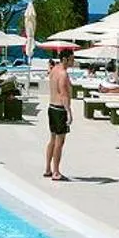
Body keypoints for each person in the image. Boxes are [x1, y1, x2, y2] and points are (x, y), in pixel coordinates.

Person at [44, 48, 74, 180]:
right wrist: (69, 112)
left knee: (52, 139)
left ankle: (48, 168)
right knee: (59, 142)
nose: (74, 61)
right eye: (72, 59)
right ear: (65, 59)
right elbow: (63, 94)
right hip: (60, 109)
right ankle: (56, 171)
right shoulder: (63, 73)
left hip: (51, 107)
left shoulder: (54, 70)